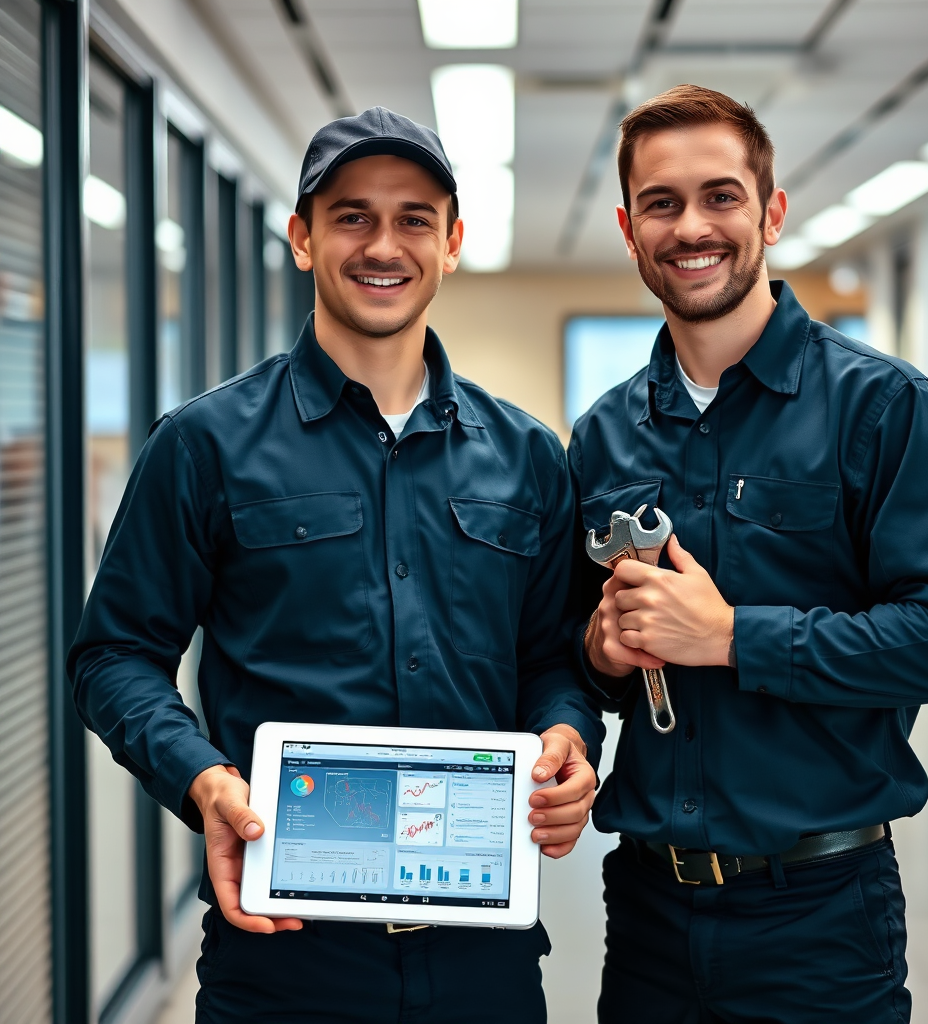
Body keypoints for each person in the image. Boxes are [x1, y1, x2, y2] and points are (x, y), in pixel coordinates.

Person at [69, 107, 603, 1024]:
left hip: (483, 957)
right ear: (303, 238)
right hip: (282, 957)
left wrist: (568, 742)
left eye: (414, 218)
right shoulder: (204, 446)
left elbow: (552, 658)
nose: (382, 244)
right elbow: (113, 656)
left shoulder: (527, 456)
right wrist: (203, 779)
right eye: (352, 215)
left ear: (452, 241)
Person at [570, 84, 928, 1023]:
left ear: (769, 212)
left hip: (818, 918)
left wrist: (733, 637)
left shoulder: (882, 408)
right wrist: (601, 652)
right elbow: (580, 655)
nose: (693, 226)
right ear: (628, 226)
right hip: (646, 914)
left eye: (721, 196)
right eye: (662, 203)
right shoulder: (602, 437)